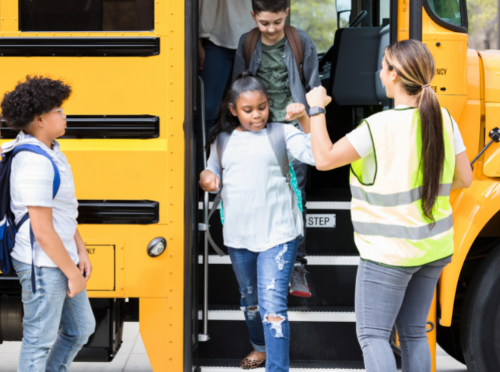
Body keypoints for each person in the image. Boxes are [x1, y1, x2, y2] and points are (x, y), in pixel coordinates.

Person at [306, 40, 473, 372]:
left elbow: (323, 159)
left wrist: (316, 108)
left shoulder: (377, 127)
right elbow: (464, 178)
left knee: (373, 335)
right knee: (412, 334)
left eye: (383, 66)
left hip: (389, 254)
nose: (380, 73)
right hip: (433, 247)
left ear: (394, 74)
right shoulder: (443, 119)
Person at [199, 72, 314, 371]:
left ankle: (276, 367)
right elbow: (210, 171)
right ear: (234, 110)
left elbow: (317, 155)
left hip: (279, 235)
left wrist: (305, 120)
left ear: (269, 104)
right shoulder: (222, 140)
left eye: (262, 107)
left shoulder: (282, 134)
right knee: (250, 304)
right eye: (248, 110)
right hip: (239, 238)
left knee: (273, 309)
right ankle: (260, 348)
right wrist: (206, 178)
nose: (257, 115)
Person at [0, 76, 96, 372]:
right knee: (38, 342)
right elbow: (42, 231)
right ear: (39, 119)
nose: (64, 115)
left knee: (81, 329)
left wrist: (80, 250)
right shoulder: (34, 163)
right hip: (42, 265)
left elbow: (63, 210)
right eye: (58, 110)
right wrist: (73, 273)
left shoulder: (51, 150)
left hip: (60, 258)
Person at [232, 0, 322, 297]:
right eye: (264, 23)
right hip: (257, 129)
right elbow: (238, 87)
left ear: (287, 14)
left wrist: (306, 115)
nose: (271, 30)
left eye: (277, 22)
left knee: (295, 195)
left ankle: (296, 265)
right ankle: (260, 257)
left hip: (292, 130)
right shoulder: (248, 43)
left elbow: (314, 89)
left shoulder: (300, 42)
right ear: (253, 17)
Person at [198, 0, 255, 171]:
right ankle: (205, 174)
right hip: (217, 41)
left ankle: (240, 171)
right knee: (208, 112)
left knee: (246, 111)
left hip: (250, 42)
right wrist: (200, 41)